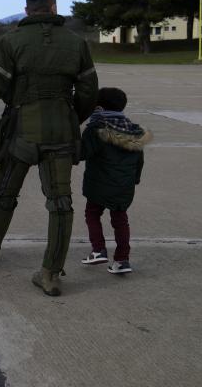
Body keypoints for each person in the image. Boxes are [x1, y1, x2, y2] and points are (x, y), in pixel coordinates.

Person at [0, 0, 98, 296]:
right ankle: (50, 273)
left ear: (27, 9)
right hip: (61, 130)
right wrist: (71, 119)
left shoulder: (12, 41)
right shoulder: (76, 43)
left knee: (3, 190)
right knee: (61, 203)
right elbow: (88, 93)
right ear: (54, 5)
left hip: (21, 130)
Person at [80, 87, 151, 274]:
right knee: (120, 220)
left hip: (99, 185)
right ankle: (122, 260)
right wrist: (134, 179)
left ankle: (98, 249)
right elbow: (139, 160)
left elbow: (81, 153)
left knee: (92, 213)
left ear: (99, 107)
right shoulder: (134, 130)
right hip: (124, 187)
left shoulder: (96, 129)